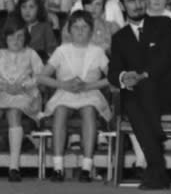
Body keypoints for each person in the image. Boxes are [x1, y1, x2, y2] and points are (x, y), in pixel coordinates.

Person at [107, 0, 171, 190]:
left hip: (167, 92)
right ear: (123, 5)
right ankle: (156, 164)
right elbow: (113, 72)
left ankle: (155, 165)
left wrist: (142, 75)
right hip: (140, 99)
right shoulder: (119, 38)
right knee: (133, 101)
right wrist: (125, 77)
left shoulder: (164, 24)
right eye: (131, 0)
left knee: (142, 91)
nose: (138, 4)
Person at [39, 11, 111, 182]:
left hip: (90, 93)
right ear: (69, 31)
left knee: (89, 111)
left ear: (91, 31)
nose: (80, 31)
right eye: (76, 27)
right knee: (60, 111)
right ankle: (57, 167)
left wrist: (88, 86)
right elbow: (42, 77)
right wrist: (64, 84)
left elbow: (112, 77)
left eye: (84, 27)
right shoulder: (61, 50)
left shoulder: (98, 51)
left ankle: (86, 166)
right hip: (65, 92)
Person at [0, 16, 43, 181]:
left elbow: (41, 77)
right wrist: (4, 87)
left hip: (25, 94)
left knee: (13, 112)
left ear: (26, 38)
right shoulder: (0, 53)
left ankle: (14, 167)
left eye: (20, 36)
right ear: (5, 37)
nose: (16, 41)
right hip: (2, 92)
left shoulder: (31, 54)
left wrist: (23, 86)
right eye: (12, 36)